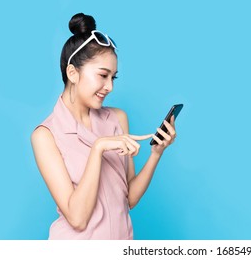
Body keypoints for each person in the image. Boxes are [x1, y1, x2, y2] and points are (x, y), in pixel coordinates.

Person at [30, 13, 177, 239]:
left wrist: (156, 154)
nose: (109, 87)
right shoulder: (46, 135)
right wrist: (98, 148)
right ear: (73, 73)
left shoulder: (117, 118)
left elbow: (128, 199)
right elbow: (77, 219)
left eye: (113, 78)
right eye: (102, 75)